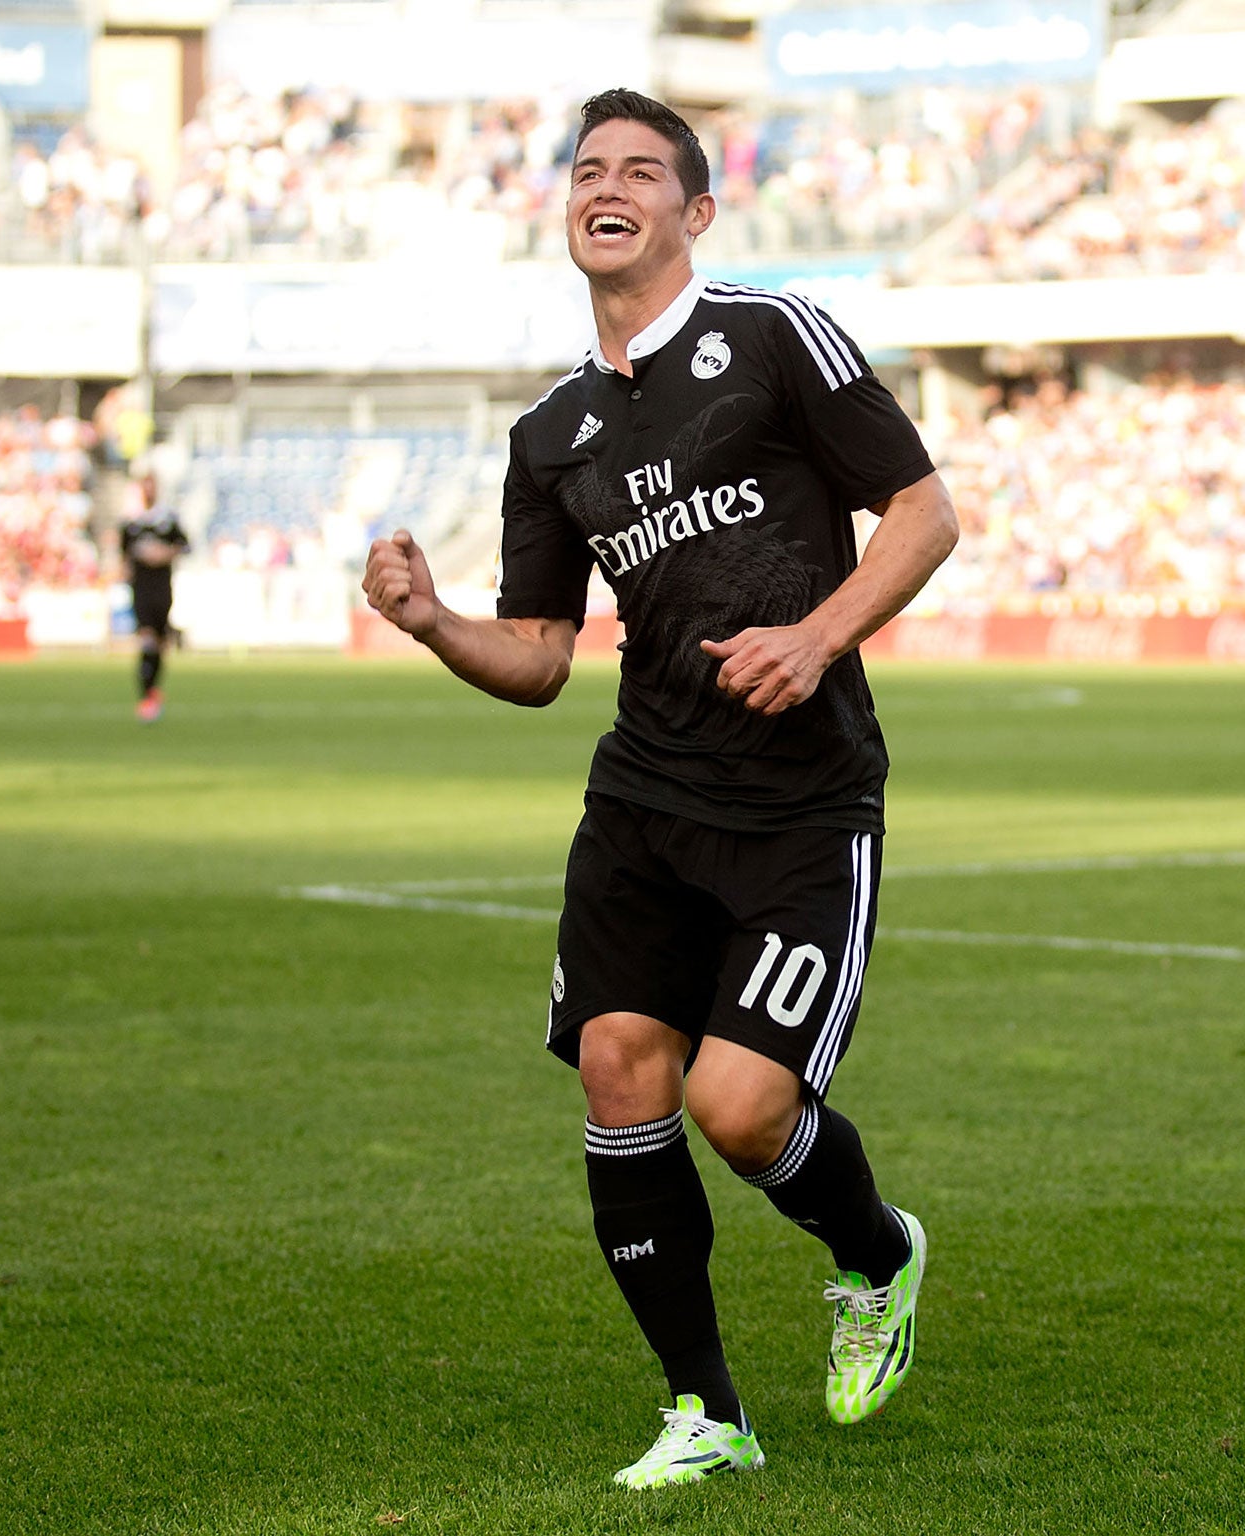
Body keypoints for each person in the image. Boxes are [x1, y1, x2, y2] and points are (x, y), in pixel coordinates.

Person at [362, 89, 959, 1487]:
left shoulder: (771, 336)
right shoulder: (551, 433)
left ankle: (877, 1256)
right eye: (586, 170)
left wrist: (820, 638)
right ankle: (707, 1414)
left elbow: (925, 510)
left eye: (641, 171)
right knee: (624, 1071)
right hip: (644, 800)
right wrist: (434, 622)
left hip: (805, 802)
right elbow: (540, 658)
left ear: (695, 212)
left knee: (744, 1111)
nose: (606, 186)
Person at [119, 469, 189, 722]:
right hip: (141, 589)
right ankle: (147, 696)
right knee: (146, 639)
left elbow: (185, 545)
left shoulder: (167, 520)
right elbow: (124, 556)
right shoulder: (131, 524)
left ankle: (153, 690)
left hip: (162, 587)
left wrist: (164, 553)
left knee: (159, 644)